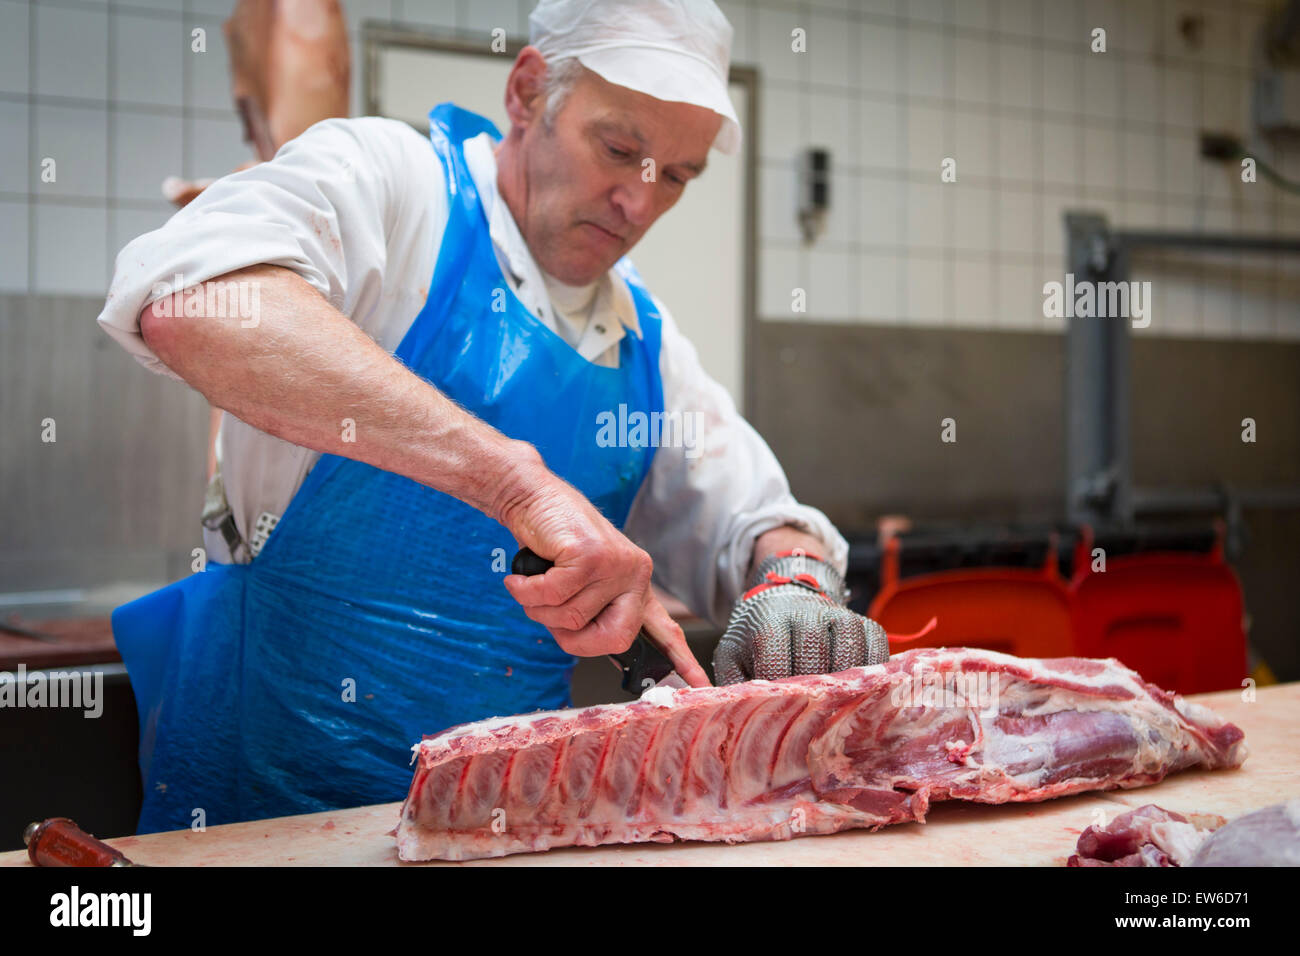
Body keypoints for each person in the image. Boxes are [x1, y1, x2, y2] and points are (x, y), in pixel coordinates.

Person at [96, 0, 886, 833]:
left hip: (505, 833)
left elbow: (757, 519)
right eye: (619, 149)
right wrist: (514, 483)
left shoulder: (643, 340)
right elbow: (194, 299)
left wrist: (793, 582)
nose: (638, 202)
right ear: (528, 89)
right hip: (262, 816)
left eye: (677, 175)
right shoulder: (394, 188)